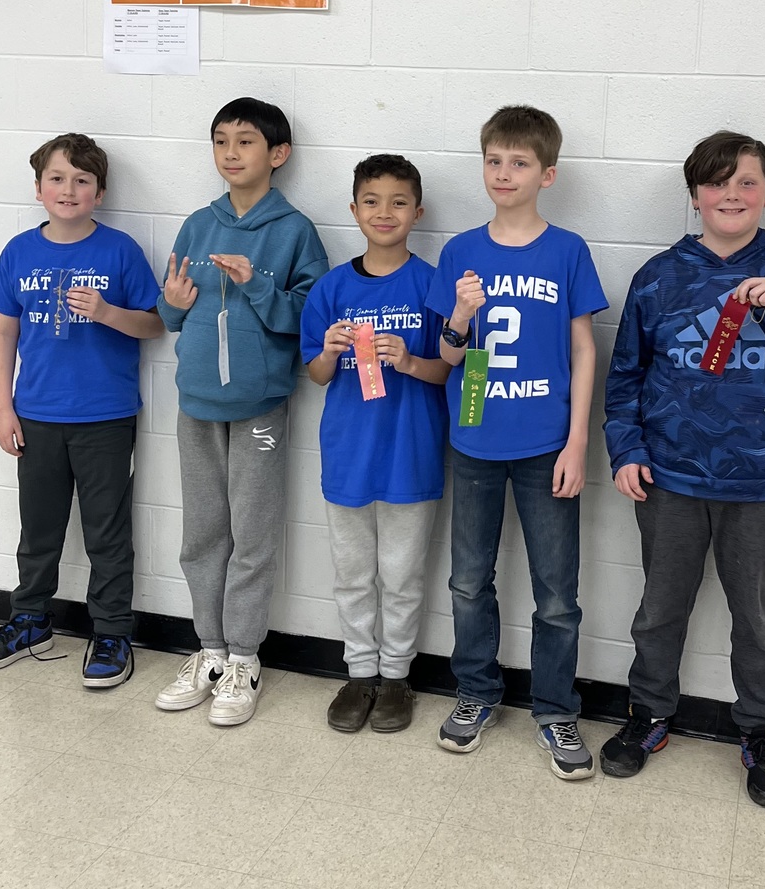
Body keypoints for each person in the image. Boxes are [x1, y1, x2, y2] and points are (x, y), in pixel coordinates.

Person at [600, 131, 765, 807]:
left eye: (747, 183)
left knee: (758, 617)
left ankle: (760, 731)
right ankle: (649, 714)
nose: (731, 195)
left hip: (762, 483)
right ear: (695, 194)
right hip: (670, 480)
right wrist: (627, 449)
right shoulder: (659, 275)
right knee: (659, 611)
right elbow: (625, 374)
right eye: (718, 183)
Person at [424, 105, 608, 779]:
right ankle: (475, 693)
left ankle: (557, 707)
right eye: (494, 160)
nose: (505, 173)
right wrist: (462, 316)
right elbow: (447, 356)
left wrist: (577, 440)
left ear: (547, 173)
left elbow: (585, 350)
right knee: (470, 580)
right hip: (475, 438)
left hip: (545, 443)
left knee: (557, 590)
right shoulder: (461, 251)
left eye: (520, 162)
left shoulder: (567, 250)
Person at [0, 133, 164, 687]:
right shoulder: (20, 251)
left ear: (99, 192)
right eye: (57, 178)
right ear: (38, 188)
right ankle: (29, 619)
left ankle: (112, 631)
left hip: (105, 416)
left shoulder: (120, 250)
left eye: (82, 180)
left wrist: (105, 312)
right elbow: (4, 331)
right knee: (40, 528)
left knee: (106, 531)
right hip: (37, 415)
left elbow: (154, 323)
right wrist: (3, 408)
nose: (68, 189)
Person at [154, 97, 328, 725]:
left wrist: (257, 283)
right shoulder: (198, 225)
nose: (231, 153)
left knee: (252, 532)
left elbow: (311, 319)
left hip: (259, 407)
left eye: (246, 142)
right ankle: (209, 651)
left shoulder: (295, 231)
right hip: (196, 404)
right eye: (221, 141)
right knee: (203, 530)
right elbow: (172, 312)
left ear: (278, 155)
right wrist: (171, 305)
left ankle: (245, 657)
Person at [301, 154, 449, 733]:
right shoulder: (332, 287)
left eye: (397, 202)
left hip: (411, 456)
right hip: (347, 457)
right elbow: (313, 376)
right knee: (352, 572)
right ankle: (359, 672)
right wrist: (329, 354)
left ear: (418, 211)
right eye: (371, 201)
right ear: (354, 210)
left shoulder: (433, 283)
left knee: (403, 574)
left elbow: (454, 371)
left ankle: (396, 677)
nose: (383, 212)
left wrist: (411, 361)